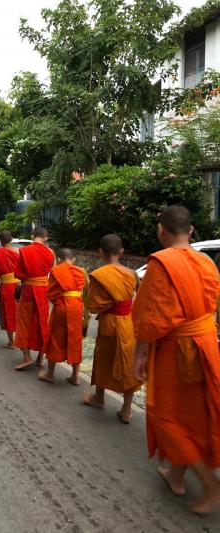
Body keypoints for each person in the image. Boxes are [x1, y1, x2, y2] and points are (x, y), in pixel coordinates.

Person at [132, 206, 220, 514]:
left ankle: (211, 485)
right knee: (196, 415)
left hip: (177, 350)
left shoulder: (162, 264)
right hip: (207, 346)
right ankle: (175, 474)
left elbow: (149, 317)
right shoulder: (207, 263)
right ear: (192, 230)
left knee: (168, 419)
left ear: (161, 231)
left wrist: (140, 355)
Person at [82, 234, 141, 424]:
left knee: (103, 358)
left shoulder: (99, 276)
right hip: (128, 322)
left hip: (109, 323)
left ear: (100, 252)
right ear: (121, 252)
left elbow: (93, 306)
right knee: (128, 361)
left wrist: (111, 303)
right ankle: (126, 409)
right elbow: (138, 297)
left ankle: (99, 396)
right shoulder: (132, 274)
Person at [39, 248, 88, 385]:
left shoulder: (56, 271)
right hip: (77, 307)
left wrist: (58, 303)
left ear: (59, 259)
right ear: (73, 259)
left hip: (62, 306)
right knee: (75, 339)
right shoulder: (80, 271)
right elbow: (84, 291)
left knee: (55, 338)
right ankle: (75, 376)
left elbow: (51, 293)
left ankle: (50, 374)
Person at [13, 228, 54, 370]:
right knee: (42, 322)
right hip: (43, 290)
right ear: (46, 238)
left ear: (32, 236)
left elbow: (18, 274)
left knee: (24, 322)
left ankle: (27, 357)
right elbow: (51, 272)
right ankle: (40, 359)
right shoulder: (51, 253)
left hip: (29, 290)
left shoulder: (25, 251)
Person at [0, 230, 20, 349]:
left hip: (6, 287)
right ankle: (21, 340)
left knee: (8, 313)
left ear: (0, 241)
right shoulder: (19, 252)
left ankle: (11, 342)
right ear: (11, 239)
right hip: (19, 286)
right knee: (19, 312)